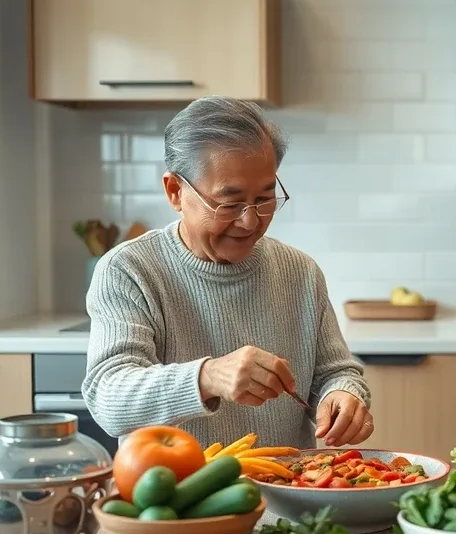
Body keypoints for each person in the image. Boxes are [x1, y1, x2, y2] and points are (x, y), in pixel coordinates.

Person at [82, 96, 374, 451]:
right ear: (175, 191)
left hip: (286, 495)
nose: (250, 221)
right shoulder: (129, 270)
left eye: (265, 198)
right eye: (229, 203)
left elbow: (335, 372)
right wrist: (207, 377)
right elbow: (109, 399)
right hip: (175, 500)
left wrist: (343, 394)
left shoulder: (301, 272)